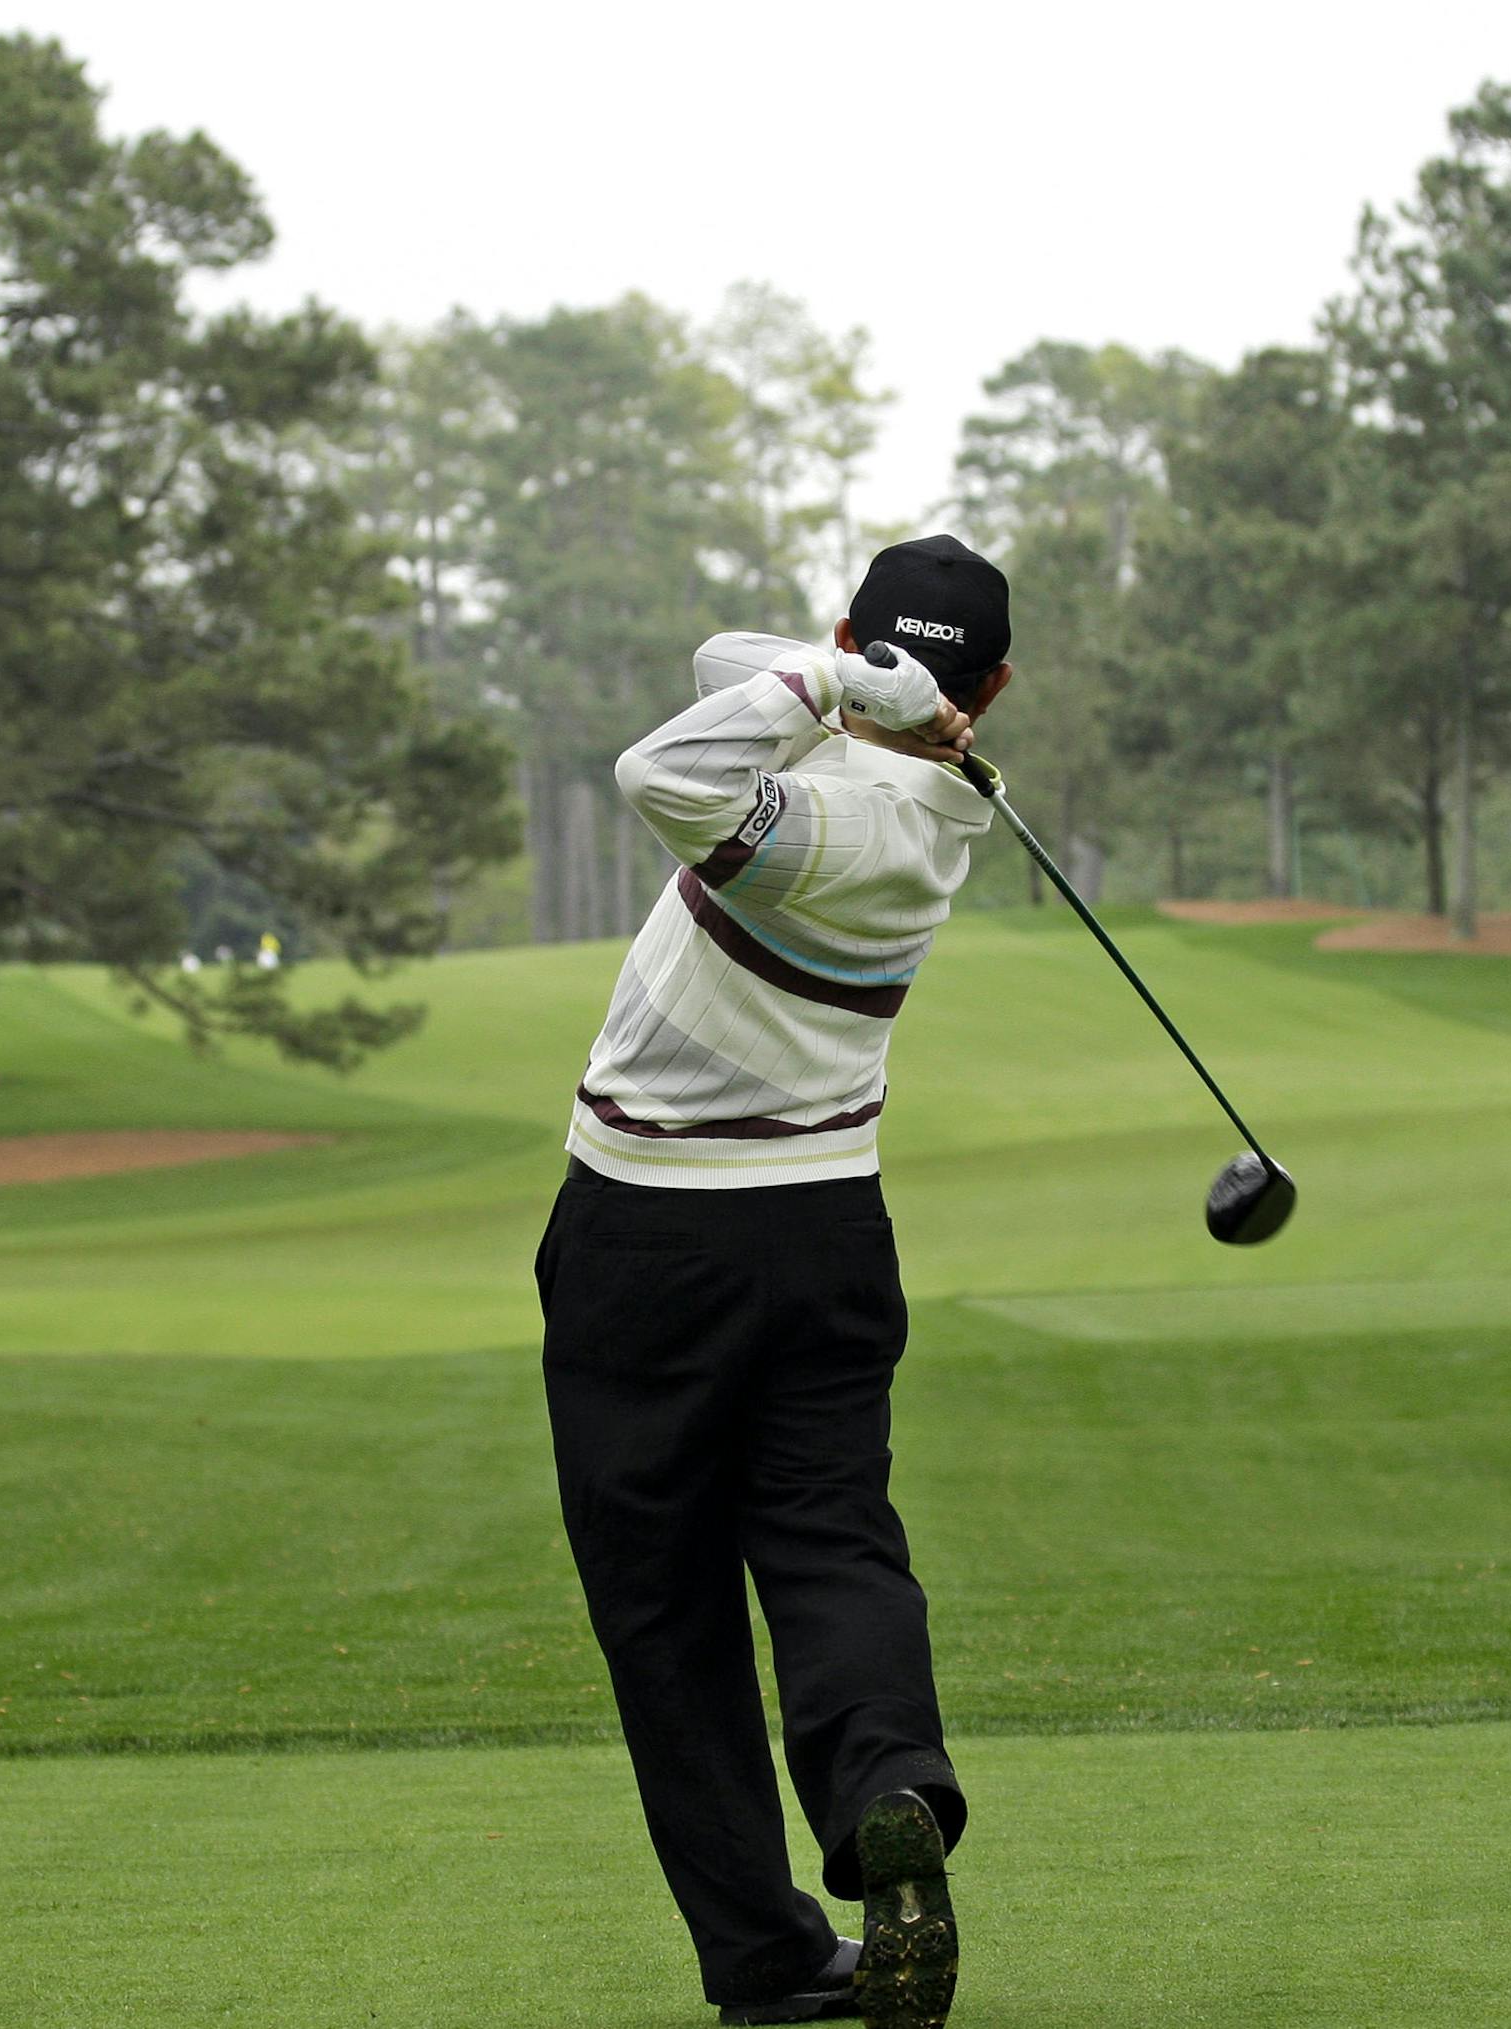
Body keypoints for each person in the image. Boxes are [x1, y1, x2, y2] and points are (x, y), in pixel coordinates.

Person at [535, 535, 1014, 2029]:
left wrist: (840, 679)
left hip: (644, 1241)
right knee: (826, 1539)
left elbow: (658, 766)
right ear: (996, 687)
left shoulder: (839, 824)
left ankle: (765, 1958)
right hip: (825, 1235)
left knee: (664, 1612)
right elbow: (715, 671)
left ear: (854, 637)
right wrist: (872, 690)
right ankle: (887, 1788)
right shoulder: (938, 794)